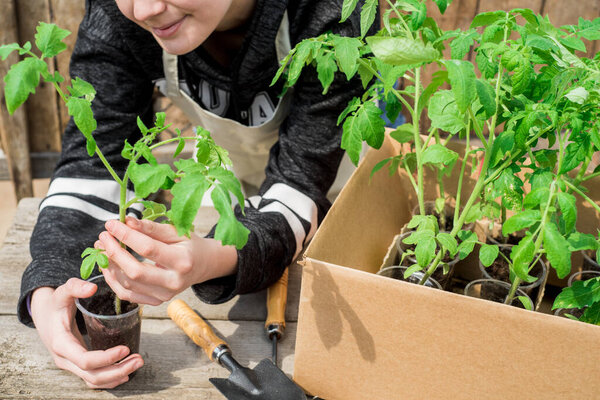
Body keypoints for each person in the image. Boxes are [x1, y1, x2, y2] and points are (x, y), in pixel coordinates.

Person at [17, 0, 371, 389]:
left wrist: (215, 257)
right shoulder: (118, 14)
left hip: (343, 191)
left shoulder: (332, 12)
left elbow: (300, 182)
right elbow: (97, 160)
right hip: (241, 192)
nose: (145, 8)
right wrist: (47, 286)